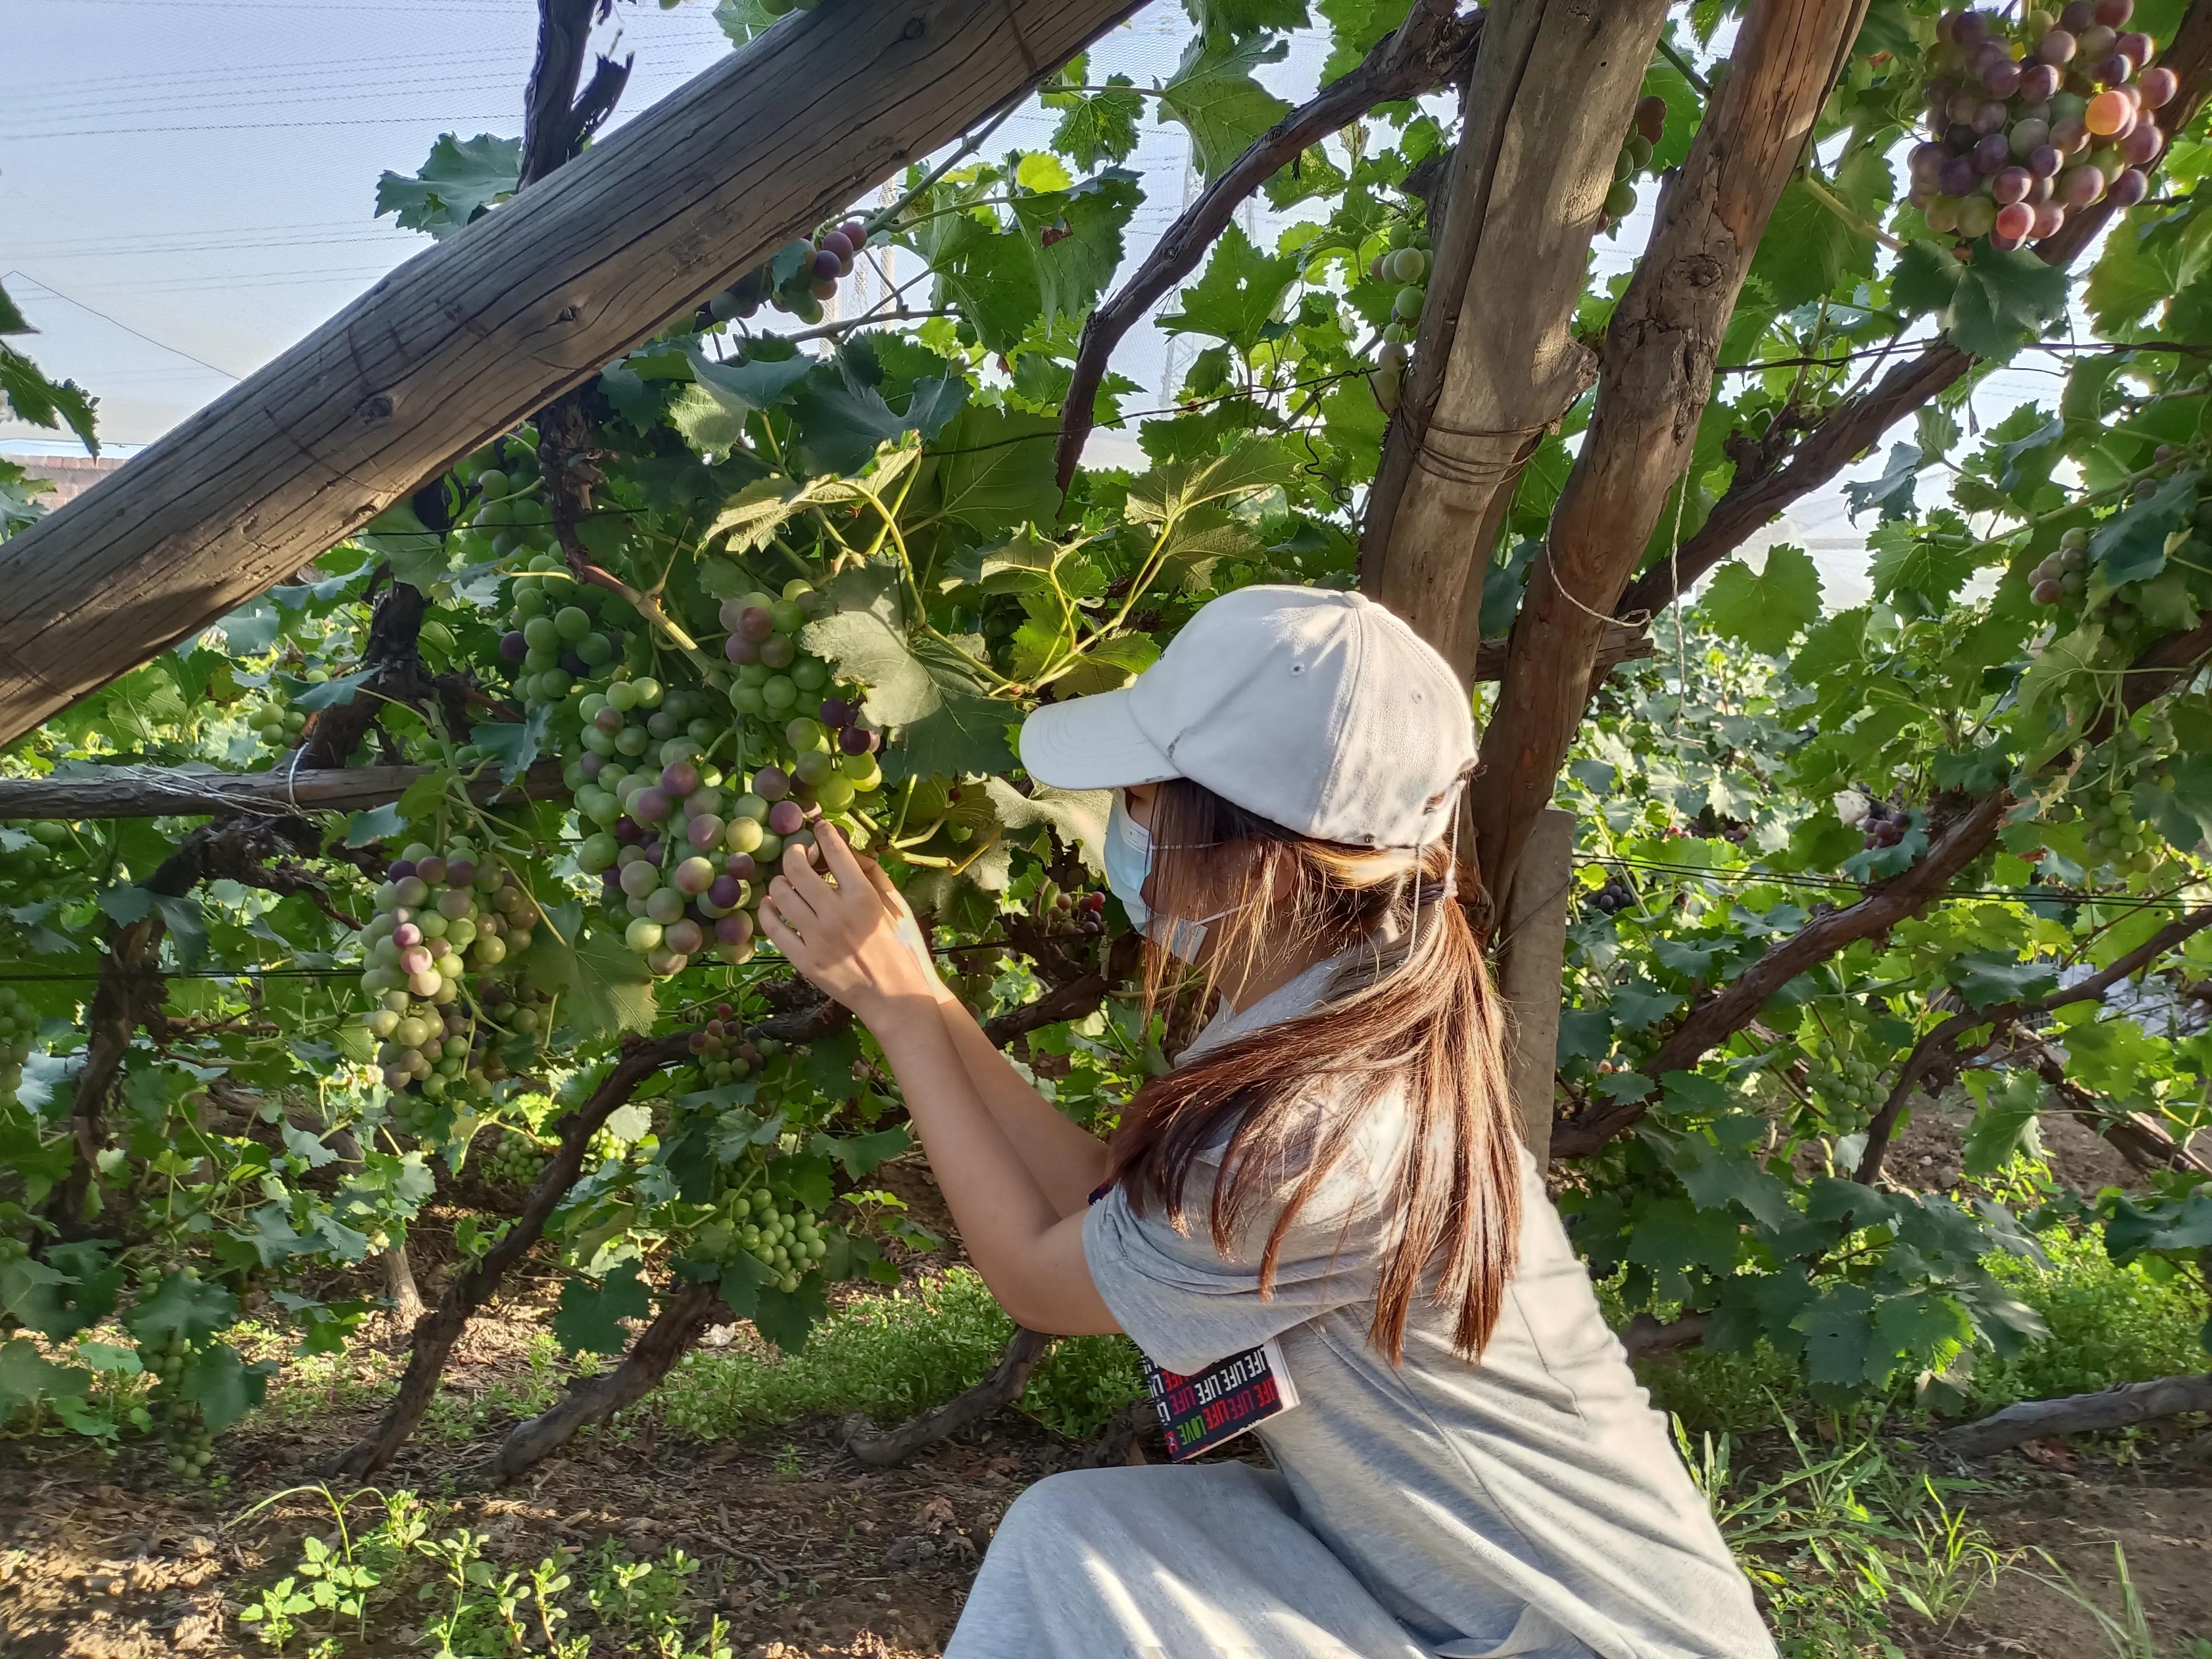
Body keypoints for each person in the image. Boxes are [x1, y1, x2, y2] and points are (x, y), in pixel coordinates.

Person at [758, 587, 1775, 1659]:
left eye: (1147, 798)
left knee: (1074, 1559)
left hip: (1587, 1641)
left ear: (1255, 852)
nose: (1127, 824)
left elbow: (1035, 1277)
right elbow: (1115, 1193)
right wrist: (922, 991)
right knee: (1082, 1534)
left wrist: (899, 1018)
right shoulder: (1348, 1001)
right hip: (1453, 1593)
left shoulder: (1317, 1127)